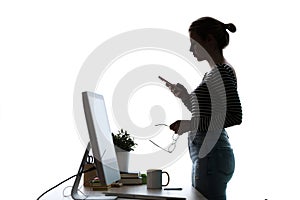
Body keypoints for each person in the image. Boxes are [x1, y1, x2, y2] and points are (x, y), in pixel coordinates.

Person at [167, 17, 242, 200]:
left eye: (194, 43)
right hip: (209, 156)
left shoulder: (221, 71)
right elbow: (207, 113)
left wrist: (189, 125)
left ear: (210, 39)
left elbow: (234, 115)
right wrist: (184, 96)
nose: (191, 49)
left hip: (212, 156)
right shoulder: (214, 72)